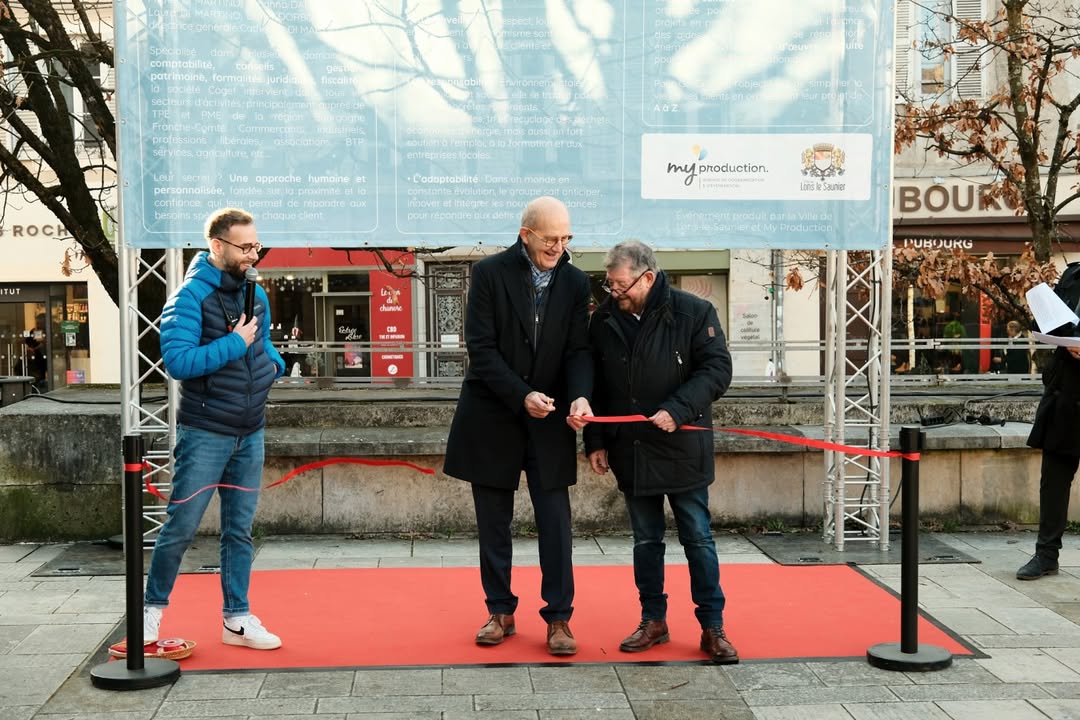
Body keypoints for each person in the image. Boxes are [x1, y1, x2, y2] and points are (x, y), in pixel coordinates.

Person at [443, 196, 593, 656]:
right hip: (494, 414)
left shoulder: (575, 281)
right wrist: (520, 394)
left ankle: (559, 618)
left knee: (556, 525)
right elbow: (481, 348)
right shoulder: (489, 273)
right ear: (526, 235)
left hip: (551, 418)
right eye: (551, 238)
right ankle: (500, 611)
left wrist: (581, 394)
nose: (558, 247)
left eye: (566, 238)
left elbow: (579, 349)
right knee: (494, 524)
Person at [583, 239, 739, 664]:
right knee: (646, 541)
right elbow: (596, 385)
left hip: (683, 445)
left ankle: (713, 626)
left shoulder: (694, 312)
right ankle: (653, 620)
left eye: (621, 285)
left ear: (647, 277)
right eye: (610, 285)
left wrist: (677, 408)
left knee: (698, 539)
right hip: (631, 449)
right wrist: (595, 441)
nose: (614, 293)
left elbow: (717, 369)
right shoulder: (603, 320)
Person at [142, 208, 285, 649]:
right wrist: (234, 342)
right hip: (205, 433)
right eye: (245, 247)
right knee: (181, 527)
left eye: (256, 245)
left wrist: (274, 367)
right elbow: (179, 363)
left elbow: (264, 344)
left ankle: (236, 618)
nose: (253, 254)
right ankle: (149, 613)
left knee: (239, 531)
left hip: (250, 431)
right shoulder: (188, 298)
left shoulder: (255, 294)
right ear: (217, 246)